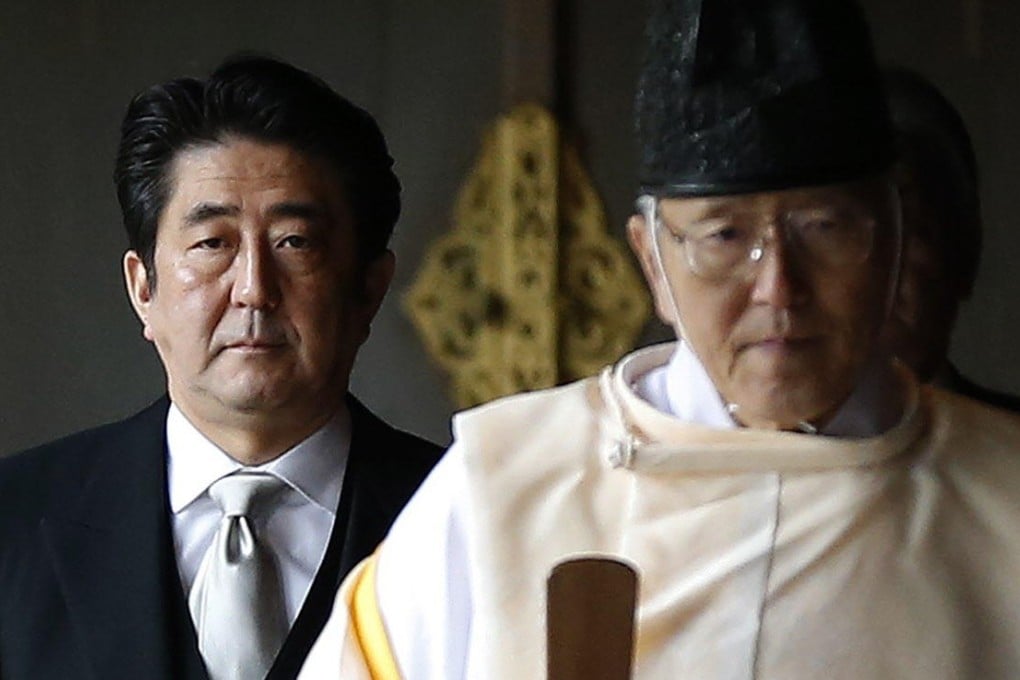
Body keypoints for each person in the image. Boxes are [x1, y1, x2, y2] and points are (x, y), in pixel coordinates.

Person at [299, 1, 1020, 678]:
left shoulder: (1003, 495)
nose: (778, 289)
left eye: (824, 228)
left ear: (891, 238)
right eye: (724, 236)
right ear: (652, 261)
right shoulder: (503, 487)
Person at [0, 56, 443, 680]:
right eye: (213, 244)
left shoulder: (465, 518)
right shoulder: (16, 522)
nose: (254, 290)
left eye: (295, 242)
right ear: (142, 290)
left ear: (369, 288)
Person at [883, 68, 1020, 411]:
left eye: (904, 229)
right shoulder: (743, 458)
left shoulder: (1010, 444)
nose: (867, 271)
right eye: (830, 230)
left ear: (965, 248)